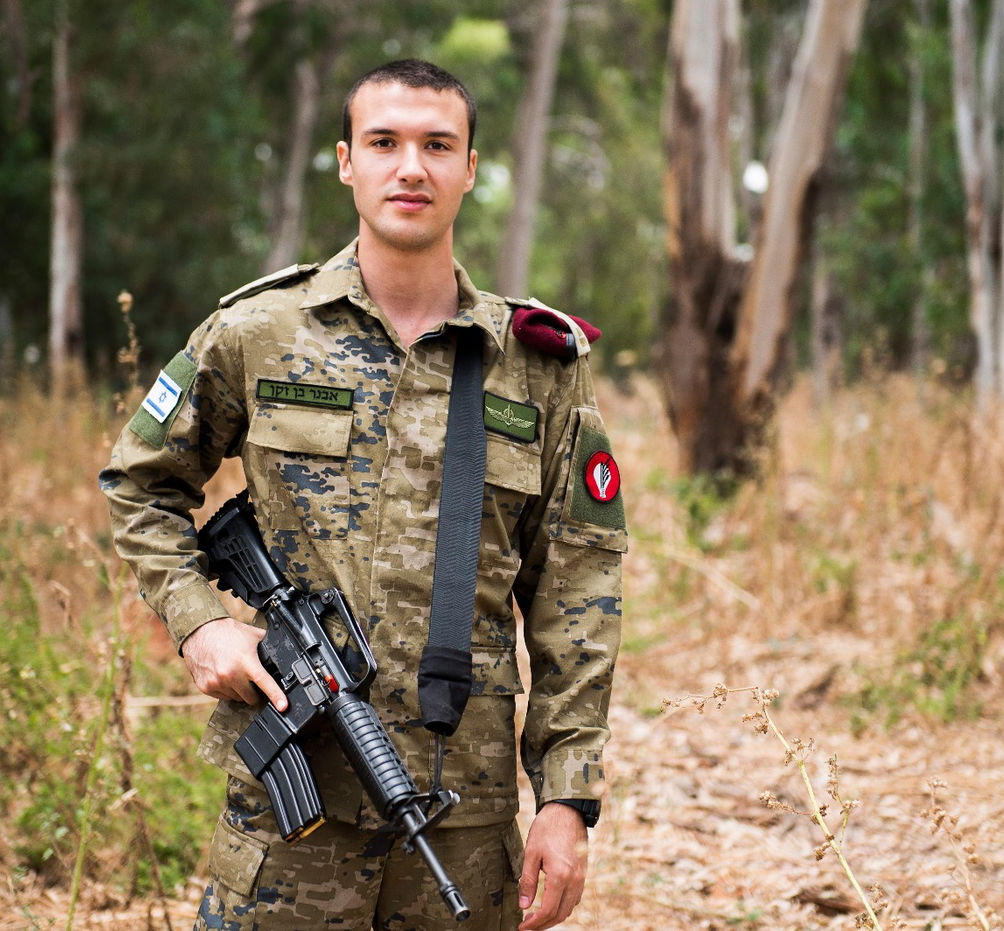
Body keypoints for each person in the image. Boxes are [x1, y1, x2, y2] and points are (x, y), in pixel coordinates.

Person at [100, 59, 625, 930]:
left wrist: (567, 800)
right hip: (290, 817)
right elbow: (138, 481)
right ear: (346, 162)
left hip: (463, 819)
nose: (410, 167)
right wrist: (200, 621)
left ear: (470, 167)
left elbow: (579, 594)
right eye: (384, 142)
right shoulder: (259, 331)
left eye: (437, 146)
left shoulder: (537, 367)